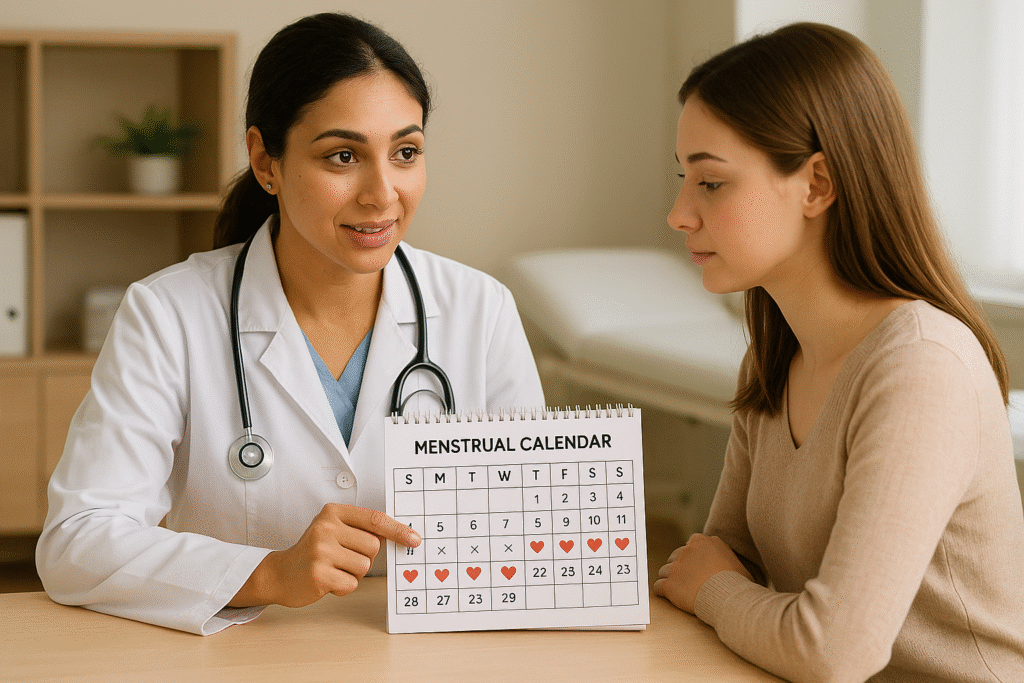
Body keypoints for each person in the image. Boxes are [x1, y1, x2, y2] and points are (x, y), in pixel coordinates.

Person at [36, 13, 544, 635]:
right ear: (265, 161)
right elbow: (75, 544)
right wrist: (268, 573)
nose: (382, 192)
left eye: (405, 152)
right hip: (243, 658)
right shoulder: (169, 314)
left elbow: (530, 526)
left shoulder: (480, 310)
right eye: (342, 156)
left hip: (431, 656)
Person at [653, 22, 1024, 683]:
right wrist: (714, 585)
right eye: (685, 179)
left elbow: (830, 650)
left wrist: (714, 588)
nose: (679, 213)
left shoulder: (921, 366)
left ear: (817, 183)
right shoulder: (775, 357)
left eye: (710, 183)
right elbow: (722, 561)